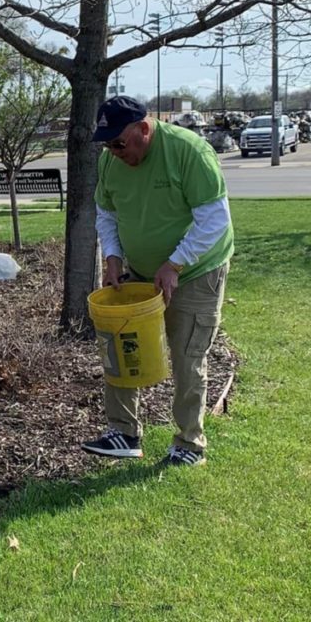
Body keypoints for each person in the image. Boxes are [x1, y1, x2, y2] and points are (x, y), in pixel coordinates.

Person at [81, 96, 233, 467]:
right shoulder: (110, 161)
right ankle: (124, 433)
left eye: (119, 143)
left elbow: (215, 220)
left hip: (197, 271)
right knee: (120, 347)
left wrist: (175, 264)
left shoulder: (188, 151)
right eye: (107, 144)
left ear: (144, 130)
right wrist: (112, 255)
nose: (114, 152)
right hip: (142, 272)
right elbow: (107, 211)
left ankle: (189, 444)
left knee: (186, 357)